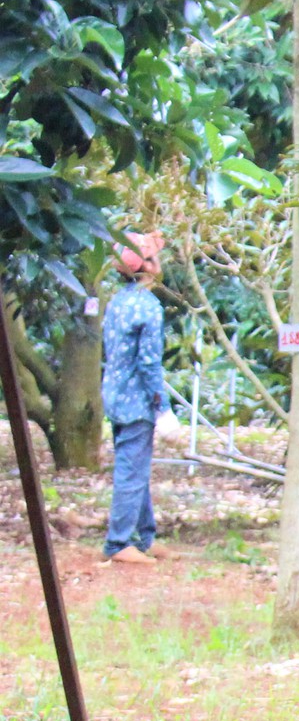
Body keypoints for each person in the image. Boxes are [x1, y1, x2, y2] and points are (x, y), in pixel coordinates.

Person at [99, 230, 169, 566]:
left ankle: (144, 537)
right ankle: (118, 543)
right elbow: (148, 363)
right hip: (137, 401)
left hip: (114, 395)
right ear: (148, 266)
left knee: (134, 468)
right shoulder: (149, 307)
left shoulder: (116, 302)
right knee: (131, 470)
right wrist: (163, 407)